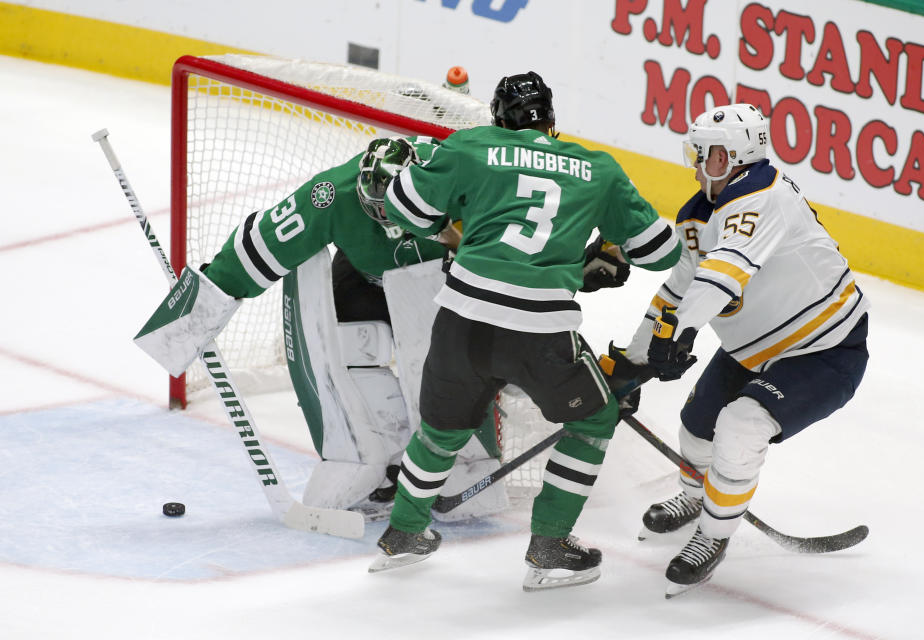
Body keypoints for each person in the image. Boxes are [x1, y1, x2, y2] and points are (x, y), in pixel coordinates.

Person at [367, 70, 682, 591]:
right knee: (595, 419)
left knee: (439, 434)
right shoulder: (596, 169)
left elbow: (405, 209)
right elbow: (660, 251)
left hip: (461, 321)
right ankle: (549, 545)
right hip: (539, 331)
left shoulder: (470, 147)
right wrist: (608, 242)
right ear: (552, 122)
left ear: (498, 120)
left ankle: (403, 536)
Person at [138, 135, 507, 521]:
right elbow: (262, 245)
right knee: (347, 348)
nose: (386, 220)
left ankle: (464, 466)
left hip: (444, 280)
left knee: (444, 367)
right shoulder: (331, 195)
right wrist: (200, 308)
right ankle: (385, 462)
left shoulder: (457, 173)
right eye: (374, 209)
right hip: (368, 276)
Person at [617, 103, 870, 597]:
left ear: (736, 156)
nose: (696, 165)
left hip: (825, 348)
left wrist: (681, 332)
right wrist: (634, 359)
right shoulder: (701, 212)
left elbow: (724, 273)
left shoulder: (762, 195)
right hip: (754, 347)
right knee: (696, 428)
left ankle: (711, 539)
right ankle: (696, 497)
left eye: (707, 155)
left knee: (741, 425)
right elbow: (678, 288)